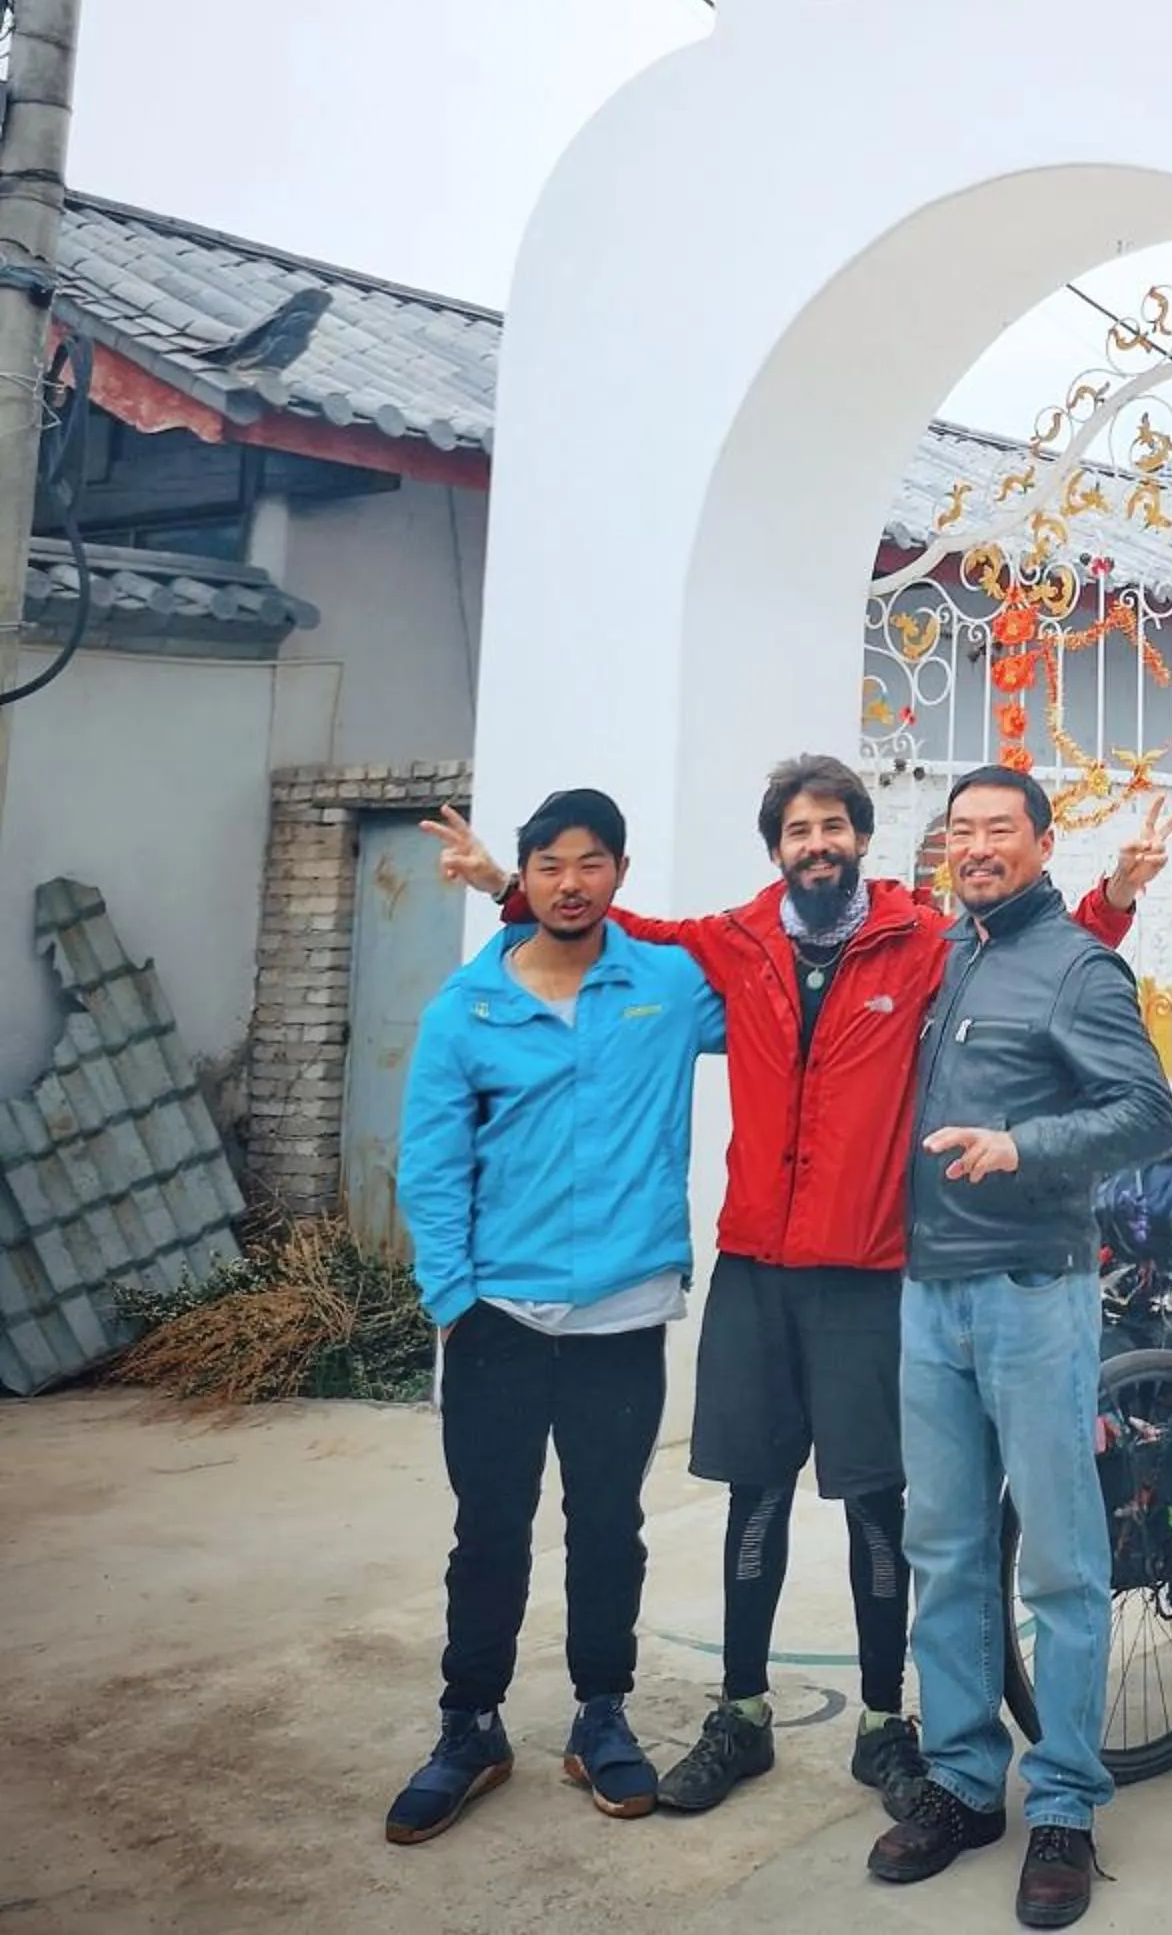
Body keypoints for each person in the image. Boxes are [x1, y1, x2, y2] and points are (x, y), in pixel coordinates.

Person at [424, 756, 1172, 1821]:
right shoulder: (733, 944)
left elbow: (1041, 964)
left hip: (871, 1274)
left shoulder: (921, 936)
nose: (815, 843)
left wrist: (1115, 899)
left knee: (886, 1511)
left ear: (862, 841)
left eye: (833, 826)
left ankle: (886, 1726)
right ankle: (742, 1713)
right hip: (758, 1271)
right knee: (756, 1497)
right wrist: (506, 883)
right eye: (796, 830)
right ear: (775, 846)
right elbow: (611, 926)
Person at [869, 765, 1172, 1934]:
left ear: (1044, 844)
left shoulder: (1078, 967)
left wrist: (1024, 1143)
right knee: (945, 1549)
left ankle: (1062, 1803)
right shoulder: (950, 951)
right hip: (928, 1296)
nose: (981, 847)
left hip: (1033, 1297)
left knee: (1057, 1563)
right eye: (964, 832)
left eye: (1003, 830)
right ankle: (960, 1779)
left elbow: (1149, 1111)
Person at [386, 786, 724, 1847]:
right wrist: (454, 1300)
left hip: (622, 1317)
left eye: (590, 863)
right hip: (498, 1318)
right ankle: (469, 1724)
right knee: (487, 1532)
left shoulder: (668, 987)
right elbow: (431, 1167)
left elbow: (781, 1004)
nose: (569, 882)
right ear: (523, 878)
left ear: (620, 874)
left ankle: (601, 1713)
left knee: (608, 1529)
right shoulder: (466, 1008)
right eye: (548, 865)